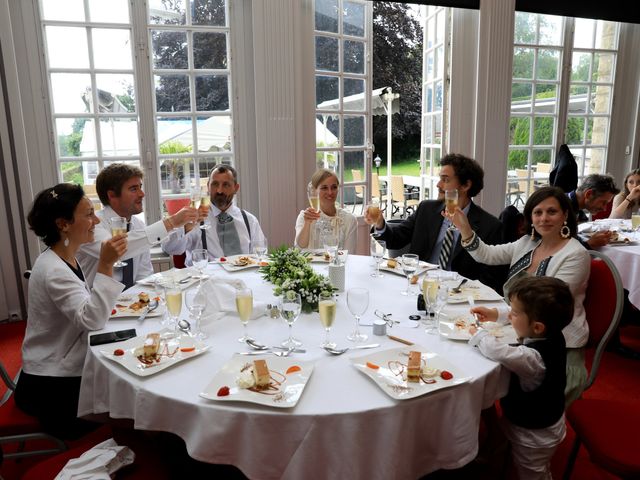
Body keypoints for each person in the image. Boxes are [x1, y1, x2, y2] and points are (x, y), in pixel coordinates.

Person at [451, 186, 590, 405]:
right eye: (537, 212)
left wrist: (498, 313)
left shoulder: (576, 254)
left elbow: (544, 308)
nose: (543, 218)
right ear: (530, 217)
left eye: (551, 212)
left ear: (565, 215)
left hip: (556, 345)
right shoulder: (528, 243)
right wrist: (465, 228)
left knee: (480, 356)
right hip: (521, 326)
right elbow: (487, 254)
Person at [15, 183, 127, 439]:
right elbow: (93, 319)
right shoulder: (53, 270)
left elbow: (86, 311)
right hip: (51, 386)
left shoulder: (64, 257)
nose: (96, 220)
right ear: (63, 224)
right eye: (88, 214)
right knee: (129, 407)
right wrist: (106, 264)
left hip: (61, 368)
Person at [468, 276, 573, 480]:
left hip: (534, 433)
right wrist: (494, 313)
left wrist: (478, 334)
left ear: (537, 327)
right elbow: (521, 312)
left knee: (533, 473)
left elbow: (498, 352)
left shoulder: (532, 359)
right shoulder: (553, 332)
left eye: (514, 314)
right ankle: (498, 441)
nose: (510, 316)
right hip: (541, 416)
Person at [364, 153, 507, 294]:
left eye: (445, 180)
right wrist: (380, 223)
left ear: (466, 185)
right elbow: (395, 239)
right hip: (418, 289)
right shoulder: (426, 209)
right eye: (440, 179)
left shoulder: (490, 226)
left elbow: (490, 279)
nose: (438, 184)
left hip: (459, 299)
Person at [77, 163, 197, 288]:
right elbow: (116, 250)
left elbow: (144, 275)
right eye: (133, 189)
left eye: (140, 187)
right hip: (97, 304)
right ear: (112, 195)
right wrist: (171, 223)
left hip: (132, 304)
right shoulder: (92, 225)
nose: (142, 194)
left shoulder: (138, 225)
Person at [162, 164, 267, 264]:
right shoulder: (194, 219)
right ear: (208, 186)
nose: (219, 190)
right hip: (206, 281)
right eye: (215, 184)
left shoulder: (250, 220)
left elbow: (261, 256)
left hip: (243, 280)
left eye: (226, 185)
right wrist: (185, 227)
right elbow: (170, 249)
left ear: (236, 188)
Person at [295, 169, 357, 252]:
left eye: (334, 187)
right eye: (324, 188)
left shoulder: (349, 220)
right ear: (315, 190)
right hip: (309, 265)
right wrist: (307, 224)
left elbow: (349, 256)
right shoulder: (305, 217)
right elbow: (299, 248)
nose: (330, 192)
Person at [567, 174, 619, 248]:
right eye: (603, 202)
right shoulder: (563, 209)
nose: (604, 209)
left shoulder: (572, 205)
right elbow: (561, 248)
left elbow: (570, 238)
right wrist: (590, 243)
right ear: (588, 194)